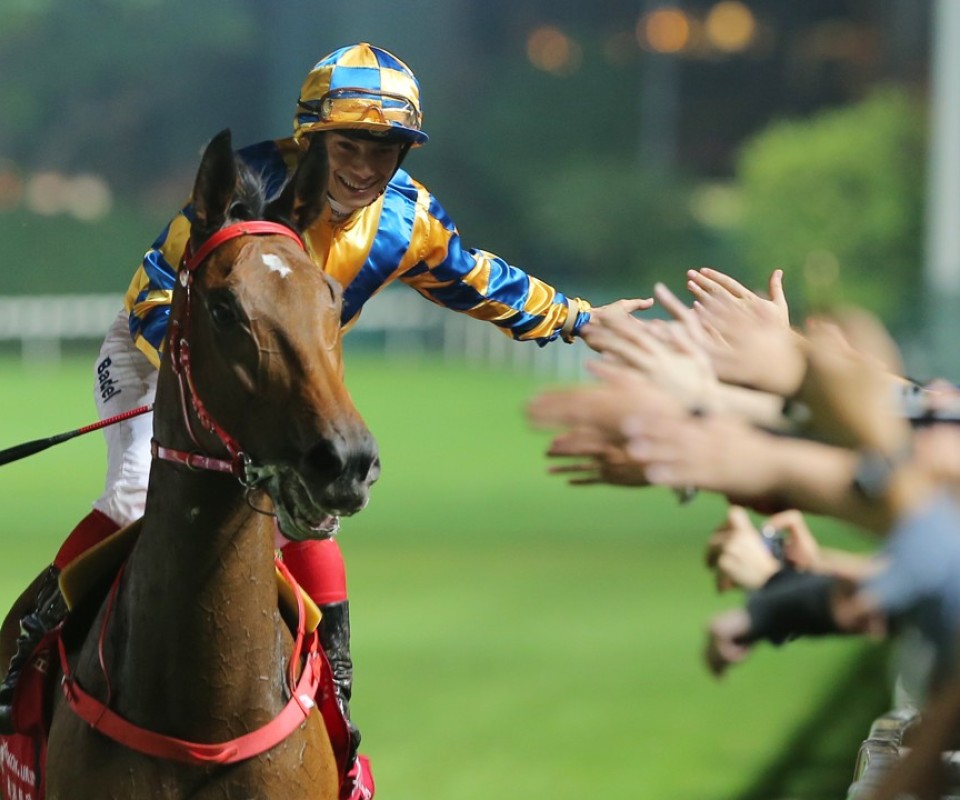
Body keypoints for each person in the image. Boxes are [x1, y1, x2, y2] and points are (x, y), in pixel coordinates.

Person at [0, 42, 651, 757]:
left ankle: (334, 684)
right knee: (133, 495)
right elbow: (155, 294)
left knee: (313, 511)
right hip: (161, 355)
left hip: (276, 381)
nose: (367, 167)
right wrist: (214, 399)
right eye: (350, 145)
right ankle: (24, 644)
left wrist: (580, 319)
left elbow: (477, 281)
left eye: (386, 149)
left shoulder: (410, 220)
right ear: (311, 137)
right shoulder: (245, 187)